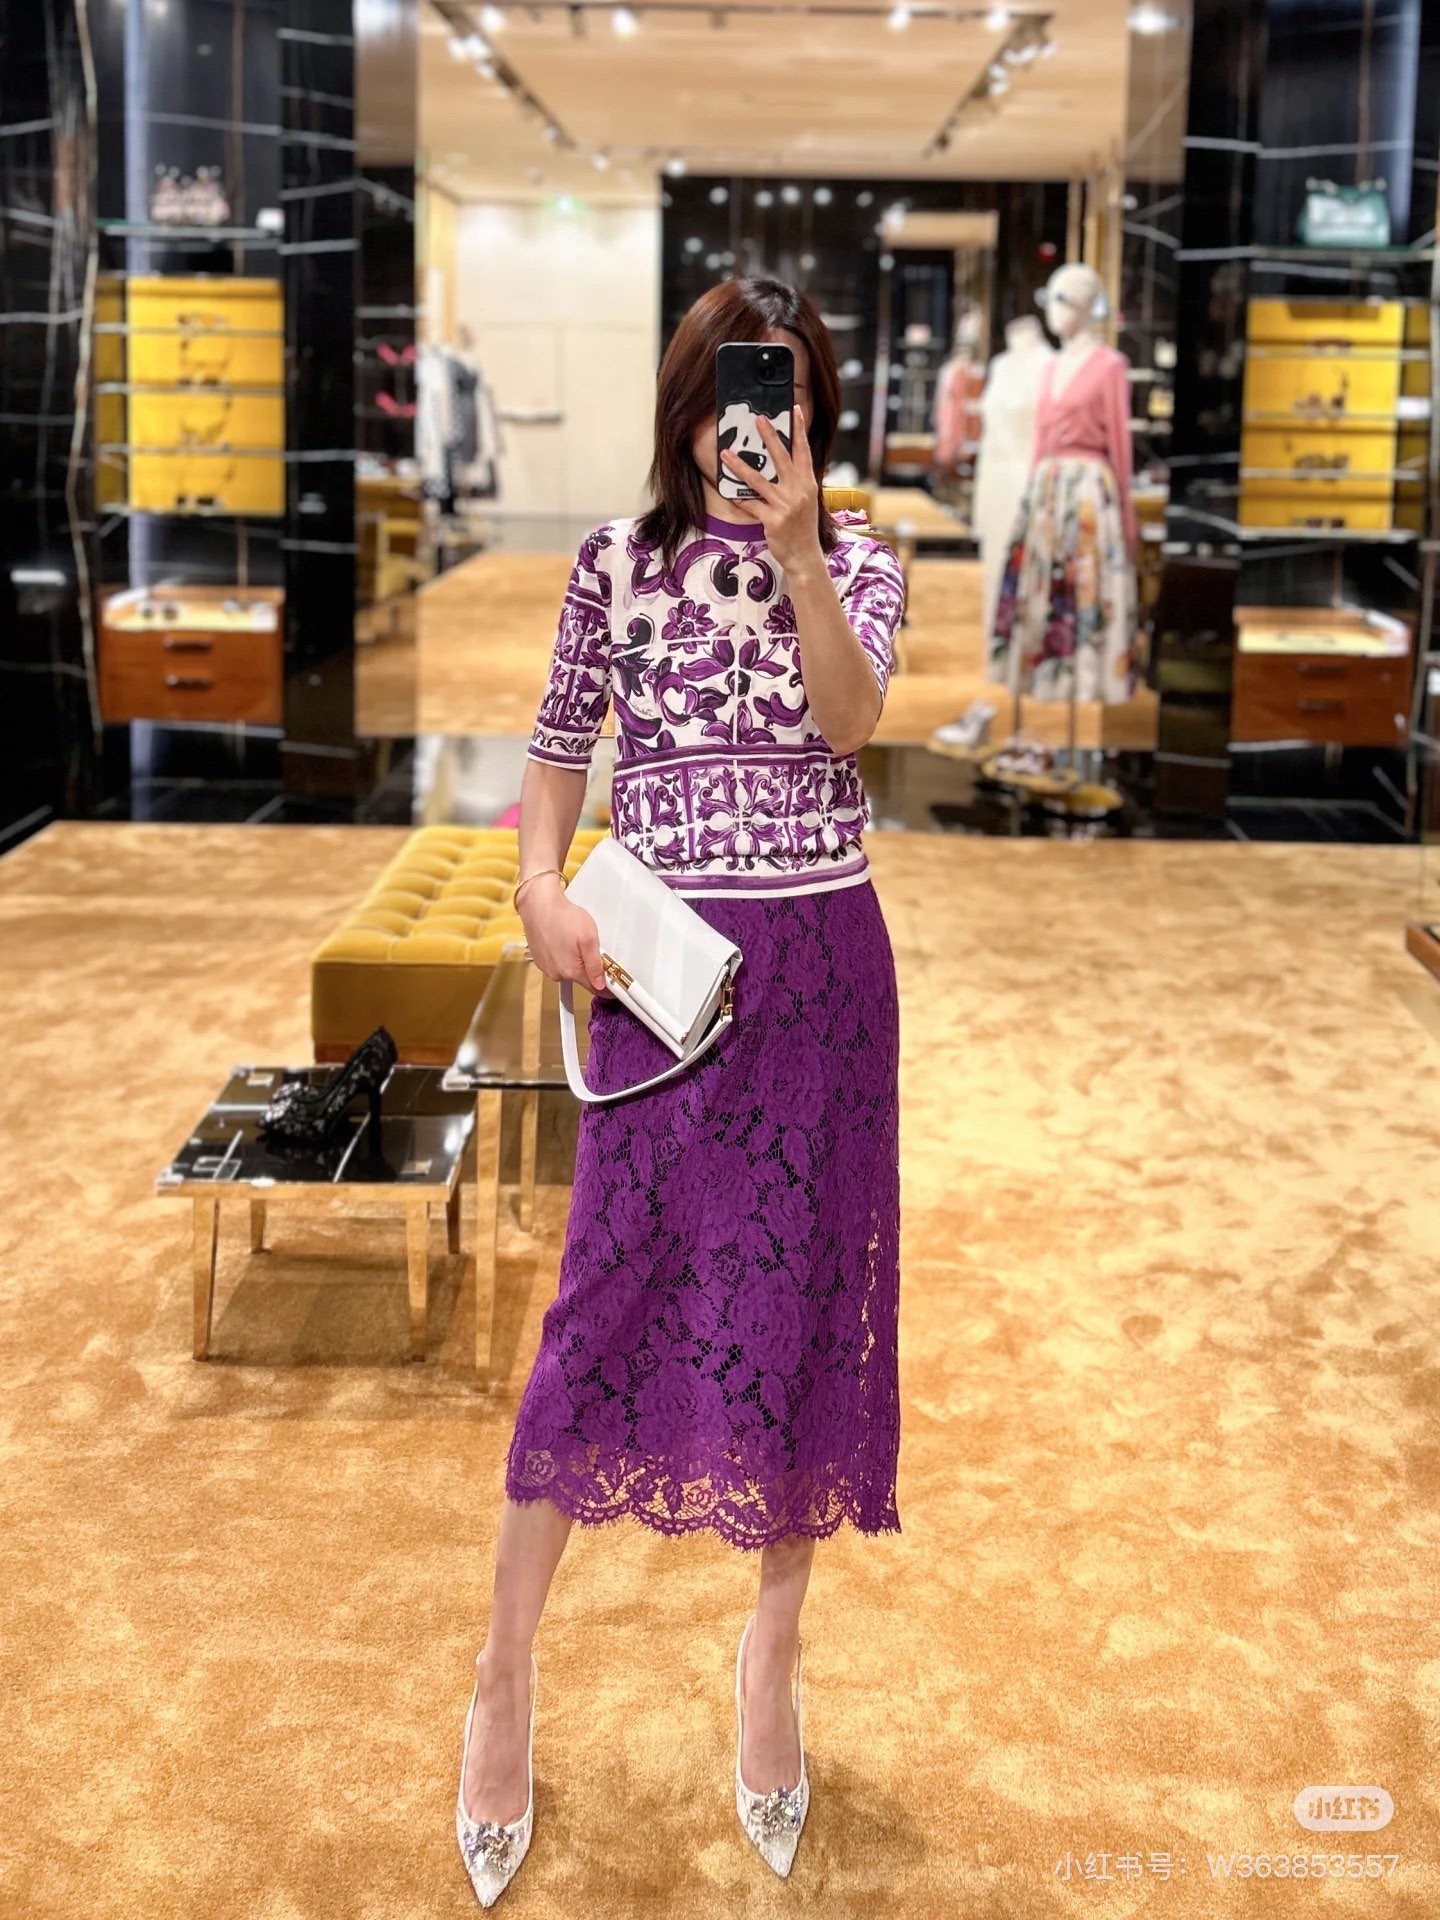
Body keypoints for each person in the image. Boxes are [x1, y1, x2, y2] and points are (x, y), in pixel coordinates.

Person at [455, 276, 906, 1906]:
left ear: (815, 410)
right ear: (684, 407)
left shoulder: (859, 559)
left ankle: (771, 1660)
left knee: (806, 1316)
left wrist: (801, 556)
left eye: (778, 394)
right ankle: (503, 1670)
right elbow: (556, 748)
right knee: (603, 1306)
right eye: (725, 394)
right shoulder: (613, 562)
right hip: (662, 982)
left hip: (825, 981)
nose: (749, 426)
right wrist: (537, 887)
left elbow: (852, 725)